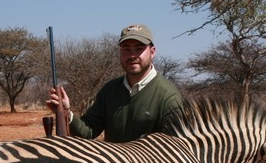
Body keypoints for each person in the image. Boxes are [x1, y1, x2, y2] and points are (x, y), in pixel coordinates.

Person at [46, 24, 183, 143]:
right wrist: (66, 112)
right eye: (126, 49)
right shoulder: (110, 90)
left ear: (152, 52)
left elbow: (174, 150)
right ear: (120, 52)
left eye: (139, 48)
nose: (132, 55)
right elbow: (88, 132)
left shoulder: (168, 96)